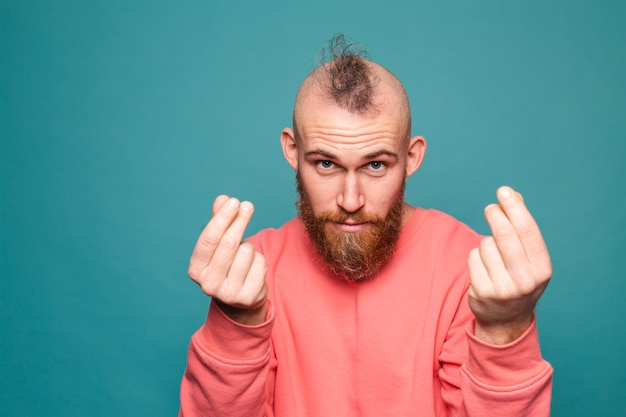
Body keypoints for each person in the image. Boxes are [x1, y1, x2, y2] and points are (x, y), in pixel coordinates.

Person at [179, 35, 553, 417]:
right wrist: (235, 328)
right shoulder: (249, 275)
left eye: (375, 165)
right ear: (293, 151)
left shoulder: (473, 271)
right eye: (326, 163)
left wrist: (506, 331)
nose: (351, 200)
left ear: (411, 157)